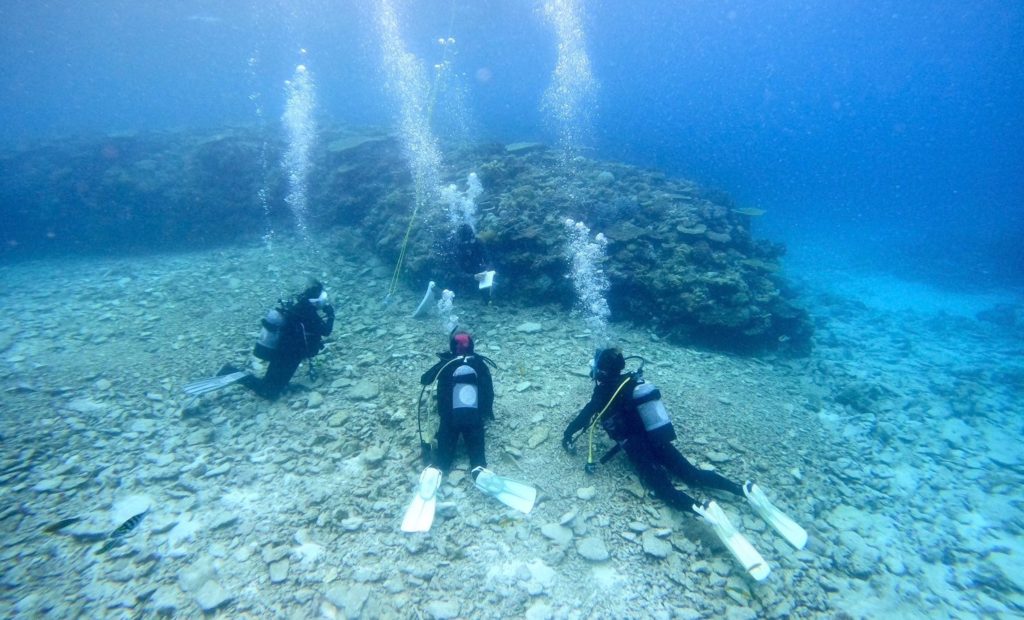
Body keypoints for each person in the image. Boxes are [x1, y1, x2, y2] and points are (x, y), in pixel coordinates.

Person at [561, 348, 806, 580]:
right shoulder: (632, 381)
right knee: (691, 473)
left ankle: (702, 508)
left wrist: (567, 434)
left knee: (665, 490)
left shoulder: (602, 393)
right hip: (657, 439)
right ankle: (743, 489)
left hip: (637, 447)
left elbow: (584, 417)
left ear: (601, 372)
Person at [219, 279, 334, 400]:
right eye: (323, 300)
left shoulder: (300, 307)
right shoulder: (308, 313)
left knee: (274, 383)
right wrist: (331, 315)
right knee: (269, 392)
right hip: (289, 355)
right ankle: (229, 372)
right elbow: (326, 331)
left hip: (285, 351)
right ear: (316, 301)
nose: (324, 303)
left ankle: (238, 374)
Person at [419, 330, 495, 477]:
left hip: (449, 418)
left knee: (442, 462)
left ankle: (438, 472)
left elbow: (425, 380)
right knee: (478, 459)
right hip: (473, 418)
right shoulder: (479, 363)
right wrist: (487, 412)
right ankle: (479, 471)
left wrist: (443, 361)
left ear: (452, 347)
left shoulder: (446, 364)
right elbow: (488, 390)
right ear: (472, 346)